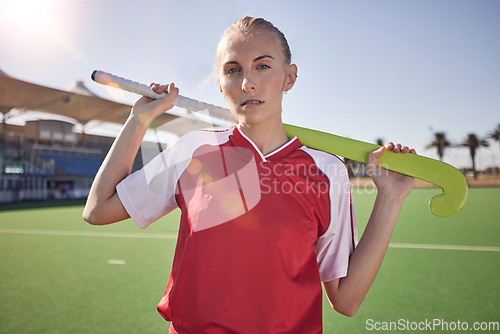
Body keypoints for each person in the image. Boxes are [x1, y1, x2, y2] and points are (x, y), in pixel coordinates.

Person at [83, 16, 416, 333]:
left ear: (289, 77)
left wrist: (390, 197)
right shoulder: (192, 152)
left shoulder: (327, 171)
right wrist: (138, 119)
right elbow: (98, 210)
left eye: (263, 65)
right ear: (221, 85)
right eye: (233, 70)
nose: (248, 82)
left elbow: (346, 299)